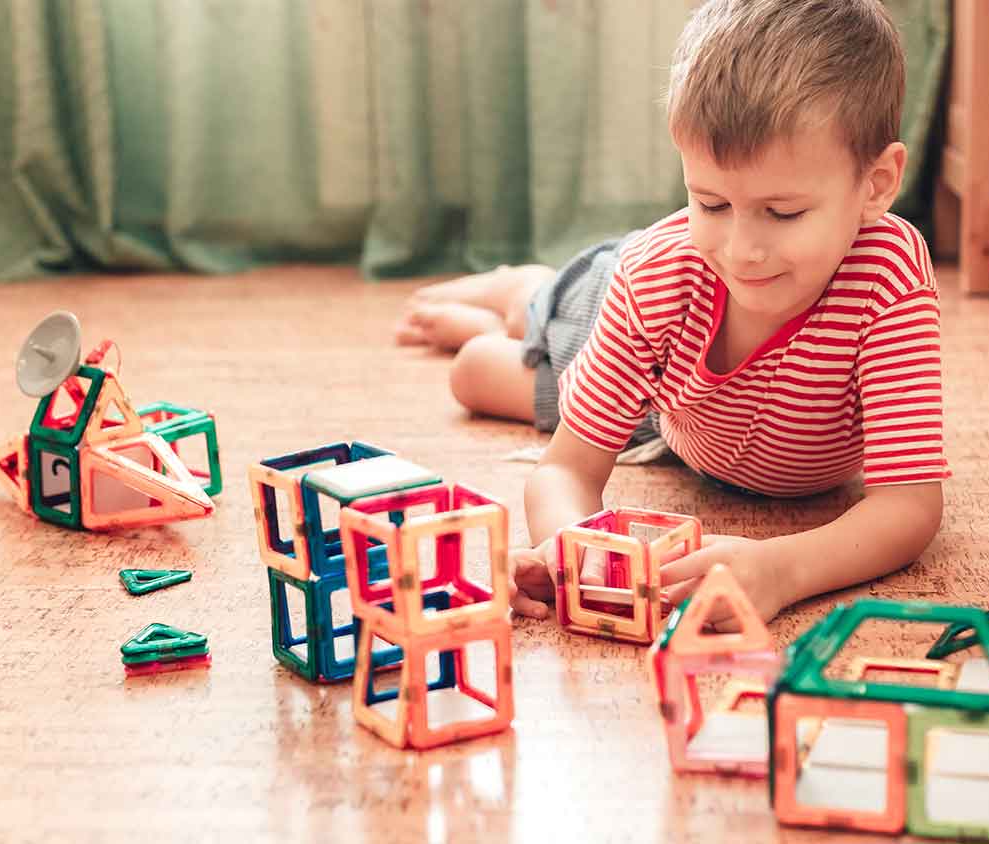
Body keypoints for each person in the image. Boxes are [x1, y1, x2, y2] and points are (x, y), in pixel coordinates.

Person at [397, 0, 948, 629]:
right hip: (640, 354)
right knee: (477, 368)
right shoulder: (660, 272)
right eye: (710, 202)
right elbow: (568, 469)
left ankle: (522, 307)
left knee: (499, 372)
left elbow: (909, 506)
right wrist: (574, 549)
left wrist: (783, 568)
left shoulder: (891, 274)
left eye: (784, 212)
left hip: (675, 419)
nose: (742, 250)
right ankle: (525, 289)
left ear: (876, 185)